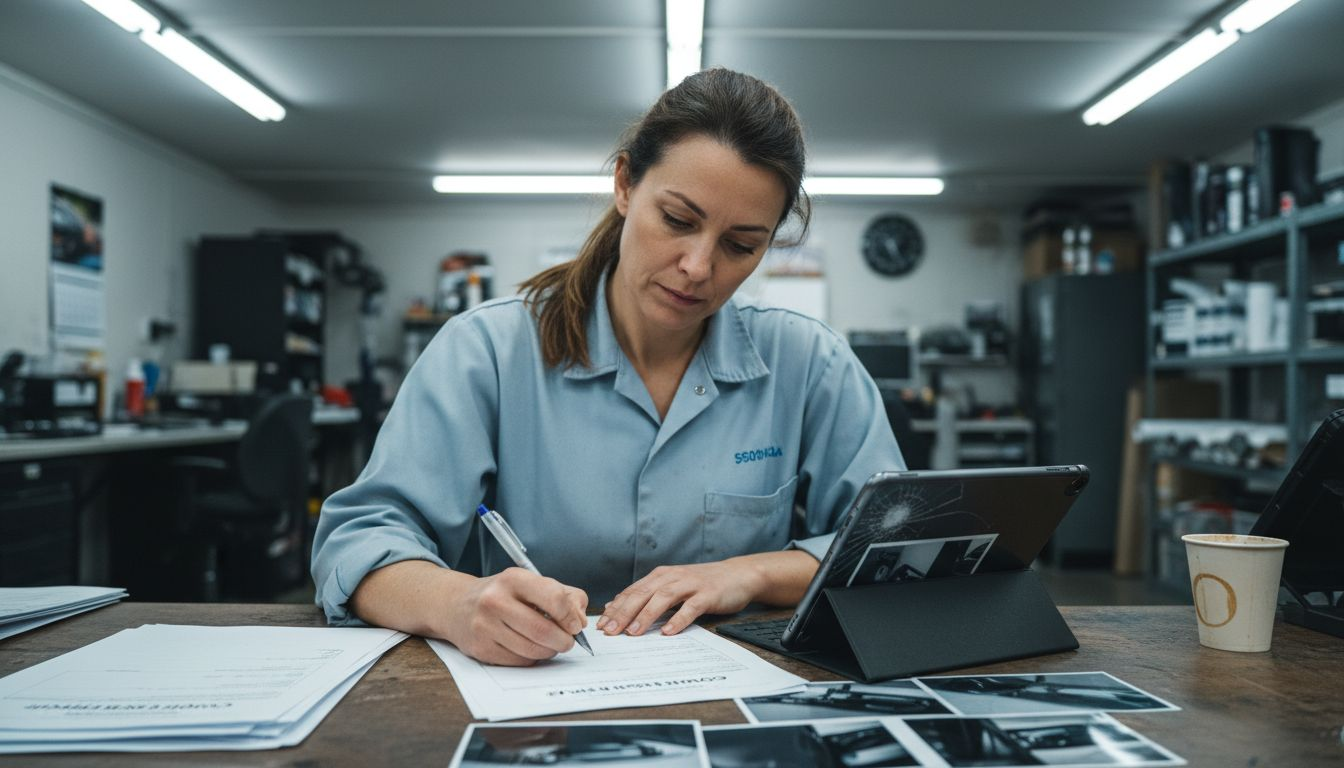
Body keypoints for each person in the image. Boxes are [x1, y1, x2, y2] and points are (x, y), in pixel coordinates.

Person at [311, 68, 904, 666]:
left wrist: (749, 574)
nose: (698, 266)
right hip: (530, 697)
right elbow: (358, 543)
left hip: (734, 693)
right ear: (625, 184)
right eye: (677, 220)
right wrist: (459, 603)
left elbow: (893, 547)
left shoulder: (809, 363)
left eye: (740, 245)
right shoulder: (487, 351)